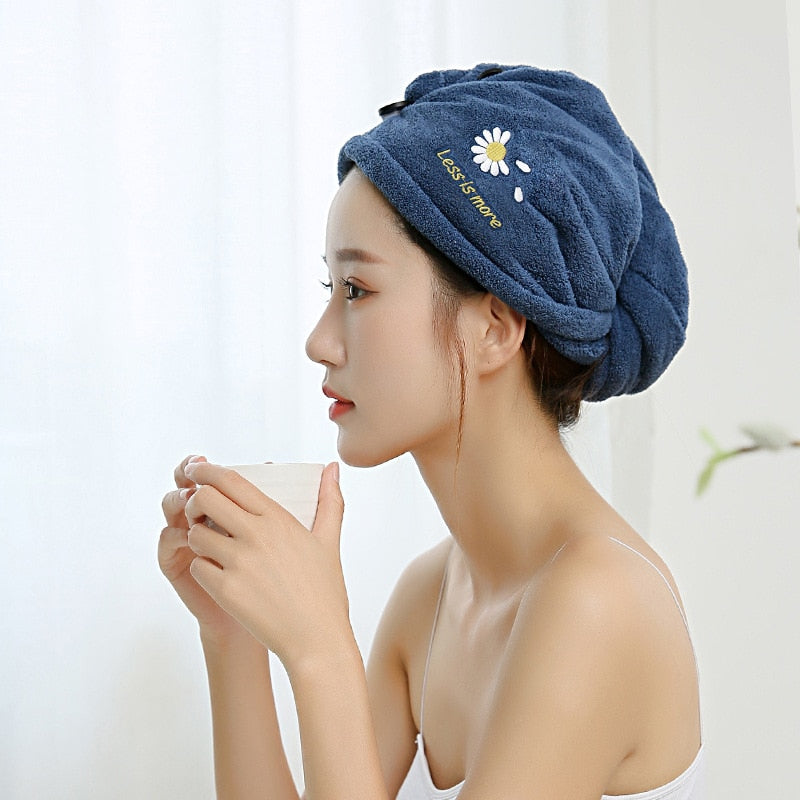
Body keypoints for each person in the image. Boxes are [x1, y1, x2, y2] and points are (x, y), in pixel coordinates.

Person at [159, 64, 703, 799]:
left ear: (495, 328)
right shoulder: (431, 598)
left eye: (357, 290)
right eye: (330, 289)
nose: (319, 341)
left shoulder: (599, 601)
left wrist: (321, 649)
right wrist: (232, 638)